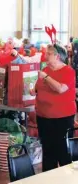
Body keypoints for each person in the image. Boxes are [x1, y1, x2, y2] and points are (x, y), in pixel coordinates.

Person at [31, 44, 76, 172]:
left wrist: (46, 77)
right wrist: (32, 90)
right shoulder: (45, 69)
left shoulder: (68, 71)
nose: (45, 56)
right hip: (43, 117)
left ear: (57, 56)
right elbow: (37, 88)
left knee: (62, 151)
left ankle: (66, 182)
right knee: (48, 151)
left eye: (48, 54)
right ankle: (48, 180)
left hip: (62, 118)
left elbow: (61, 88)